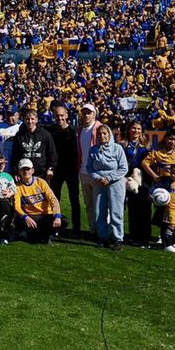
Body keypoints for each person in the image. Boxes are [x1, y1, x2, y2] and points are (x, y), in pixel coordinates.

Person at [141, 125, 175, 254]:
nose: (173, 142)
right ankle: (165, 241)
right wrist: (154, 175)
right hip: (164, 187)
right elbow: (144, 163)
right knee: (165, 216)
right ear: (165, 139)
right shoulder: (158, 152)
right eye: (170, 139)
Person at [86, 124, 128, 251]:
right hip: (99, 183)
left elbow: (123, 168)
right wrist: (98, 177)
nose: (102, 136)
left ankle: (117, 238)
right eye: (99, 134)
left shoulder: (117, 149)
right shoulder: (93, 150)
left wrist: (109, 178)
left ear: (109, 135)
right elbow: (89, 167)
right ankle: (103, 237)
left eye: (104, 133)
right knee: (99, 211)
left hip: (115, 183)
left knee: (116, 211)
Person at [13, 158, 67, 244]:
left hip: (46, 214)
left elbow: (53, 199)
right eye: (23, 169)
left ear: (32, 170)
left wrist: (57, 215)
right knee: (22, 222)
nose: (26, 171)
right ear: (19, 171)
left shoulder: (41, 182)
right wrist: (25, 217)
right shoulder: (17, 187)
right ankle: (41, 234)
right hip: (32, 216)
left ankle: (43, 234)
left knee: (63, 221)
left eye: (28, 169)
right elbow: (17, 206)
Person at [47, 104, 81, 237]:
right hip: (56, 171)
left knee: (74, 200)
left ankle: (77, 228)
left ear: (67, 115)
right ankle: (56, 226)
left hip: (71, 170)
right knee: (55, 199)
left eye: (62, 115)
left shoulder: (74, 131)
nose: (59, 118)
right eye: (57, 115)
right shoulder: (50, 131)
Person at [121, 121, 153, 246]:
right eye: (133, 128)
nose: (136, 131)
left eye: (139, 129)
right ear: (129, 129)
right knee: (132, 208)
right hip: (126, 179)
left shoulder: (147, 145)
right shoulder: (122, 144)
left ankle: (145, 236)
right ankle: (133, 235)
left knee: (144, 208)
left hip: (143, 180)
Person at [75, 103, 103, 235]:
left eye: (89, 112)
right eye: (84, 112)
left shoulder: (100, 128)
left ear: (94, 114)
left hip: (96, 172)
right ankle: (93, 230)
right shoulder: (80, 129)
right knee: (89, 204)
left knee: (100, 204)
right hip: (83, 172)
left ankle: (102, 231)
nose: (86, 115)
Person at [9, 109, 57, 181]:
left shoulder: (45, 134)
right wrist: (15, 171)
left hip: (42, 174)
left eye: (32, 119)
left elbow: (52, 153)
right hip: (24, 174)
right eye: (27, 119)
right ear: (24, 120)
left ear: (36, 120)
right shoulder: (19, 136)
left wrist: (51, 168)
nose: (30, 121)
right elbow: (15, 155)